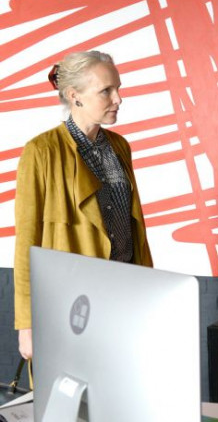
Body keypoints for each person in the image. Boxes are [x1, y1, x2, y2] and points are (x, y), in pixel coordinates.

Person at [14, 51, 153, 360]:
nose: (118, 98)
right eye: (106, 91)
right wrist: (27, 325)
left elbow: (134, 228)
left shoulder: (120, 146)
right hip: (70, 304)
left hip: (124, 297)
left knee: (121, 382)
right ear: (74, 95)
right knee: (73, 386)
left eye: (118, 88)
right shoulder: (41, 151)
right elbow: (26, 243)